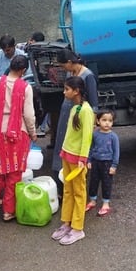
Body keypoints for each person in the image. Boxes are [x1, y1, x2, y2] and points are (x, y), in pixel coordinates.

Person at [0, 55, 37, 222]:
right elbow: (28, 115)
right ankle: (8, 211)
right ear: (23, 71)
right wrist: (33, 132)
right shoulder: (26, 87)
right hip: (18, 133)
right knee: (14, 174)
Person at [50, 76, 94, 245]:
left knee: (79, 192)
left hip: (78, 159)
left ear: (76, 91)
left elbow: (87, 137)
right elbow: (70, 133)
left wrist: (83, 158)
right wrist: (63, 151)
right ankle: (67, 223)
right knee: (68, 190)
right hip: (67, 155)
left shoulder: (86, 110)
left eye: (67, 89)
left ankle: (78, 227)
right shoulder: (75, 107)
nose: (64, 92)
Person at [51, 49, 99, 198]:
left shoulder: (88, 76)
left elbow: (94, 104)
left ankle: (76, 188)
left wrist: (91, 125)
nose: (63, 68)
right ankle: (61, 188)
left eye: (63, 65)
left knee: (76, 149)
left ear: (70, 63)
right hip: (66, 115)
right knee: (61, 147)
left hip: (78, 120)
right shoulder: (70, 73)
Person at [86, 109, 120, 216]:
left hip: (107, 163)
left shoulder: (113, 136)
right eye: (104, 120)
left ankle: (106, 203)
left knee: (106, 183)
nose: (107, 123)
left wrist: (114, 165)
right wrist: (89, 160)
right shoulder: (95, 134)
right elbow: (91, 148)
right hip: (95, 162)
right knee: (93, 182)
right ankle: (92, 200)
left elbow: (116, 152)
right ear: (98, 121)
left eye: (110, 120)